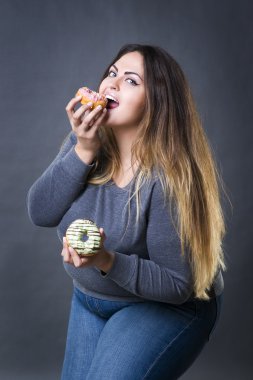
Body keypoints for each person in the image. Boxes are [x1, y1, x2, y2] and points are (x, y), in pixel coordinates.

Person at [27, 44, 227, 380]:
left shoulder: (168, 177)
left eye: (132, 81)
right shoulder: (85, 143)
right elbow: (41, 212)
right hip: (90, 300)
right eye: (112, 73)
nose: (113, 84)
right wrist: (82, 150)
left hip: (168, 307)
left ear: (157, 103)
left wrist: (105, 260)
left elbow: (178, 284)